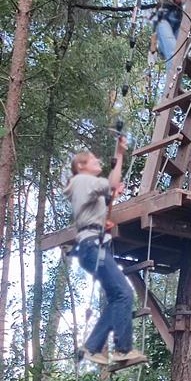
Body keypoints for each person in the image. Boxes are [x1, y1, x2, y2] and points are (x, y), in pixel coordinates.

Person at [63, 136, 143, 366]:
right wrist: (118, 158)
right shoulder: (82, 181)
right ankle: (122, 349)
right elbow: (110, 184)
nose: (98, 161)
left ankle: (92, 347)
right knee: (124, 294)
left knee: (118, 298)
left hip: (92, 247)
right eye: (93, 160)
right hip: (92, 247)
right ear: (80, 166)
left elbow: (106, 195)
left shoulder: (83, 186)